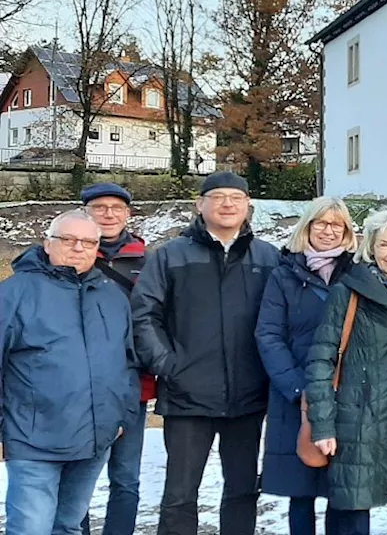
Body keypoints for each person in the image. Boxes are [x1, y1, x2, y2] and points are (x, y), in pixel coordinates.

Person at [132, 171, 281, 535]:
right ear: (200, 205)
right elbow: (144, 315)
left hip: (248, 396)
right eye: (217, 197)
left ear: (248, 206)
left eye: (235, 197)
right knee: (180, 495)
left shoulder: (269, 257)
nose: (227, 204)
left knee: (243, 490)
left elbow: (282, 320)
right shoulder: (170, 256)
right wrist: (169, 366)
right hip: (187, 396)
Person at [1, 210, 138, 535]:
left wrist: (122, 416)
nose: (79, 248)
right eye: (69, 239)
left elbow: (128, 361)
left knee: (69, 527)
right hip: (33, 439)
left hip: (95, 439)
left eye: (88, 242)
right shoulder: (15, 293)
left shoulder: (112, 296)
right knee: (31, 529)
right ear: (48, 243)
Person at [305, 208, 387, 534]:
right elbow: (321, 360)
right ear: (371, 247)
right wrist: (323, 425)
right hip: (358, 419)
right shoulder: (349, 291)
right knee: (351, 511)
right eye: (385, 245)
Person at [255, 197, 358, 535]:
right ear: (308, 226)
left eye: (336, 225)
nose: (328, 231)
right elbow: (269, 335)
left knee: (340, 489)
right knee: (301, 491)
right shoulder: (283, 274)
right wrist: (300, 389)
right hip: (295, 395)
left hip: (344, 393)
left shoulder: (356, 273)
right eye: (321, 223)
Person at [78, 183, 151, 535]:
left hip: (129, 384)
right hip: (78, 385)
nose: (108, 214)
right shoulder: (68, 256)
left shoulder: (147, 260)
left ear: (128, 214)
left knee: (126, 477)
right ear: (85, 213)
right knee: (77, 473)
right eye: (99, 207)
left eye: (116, 208)